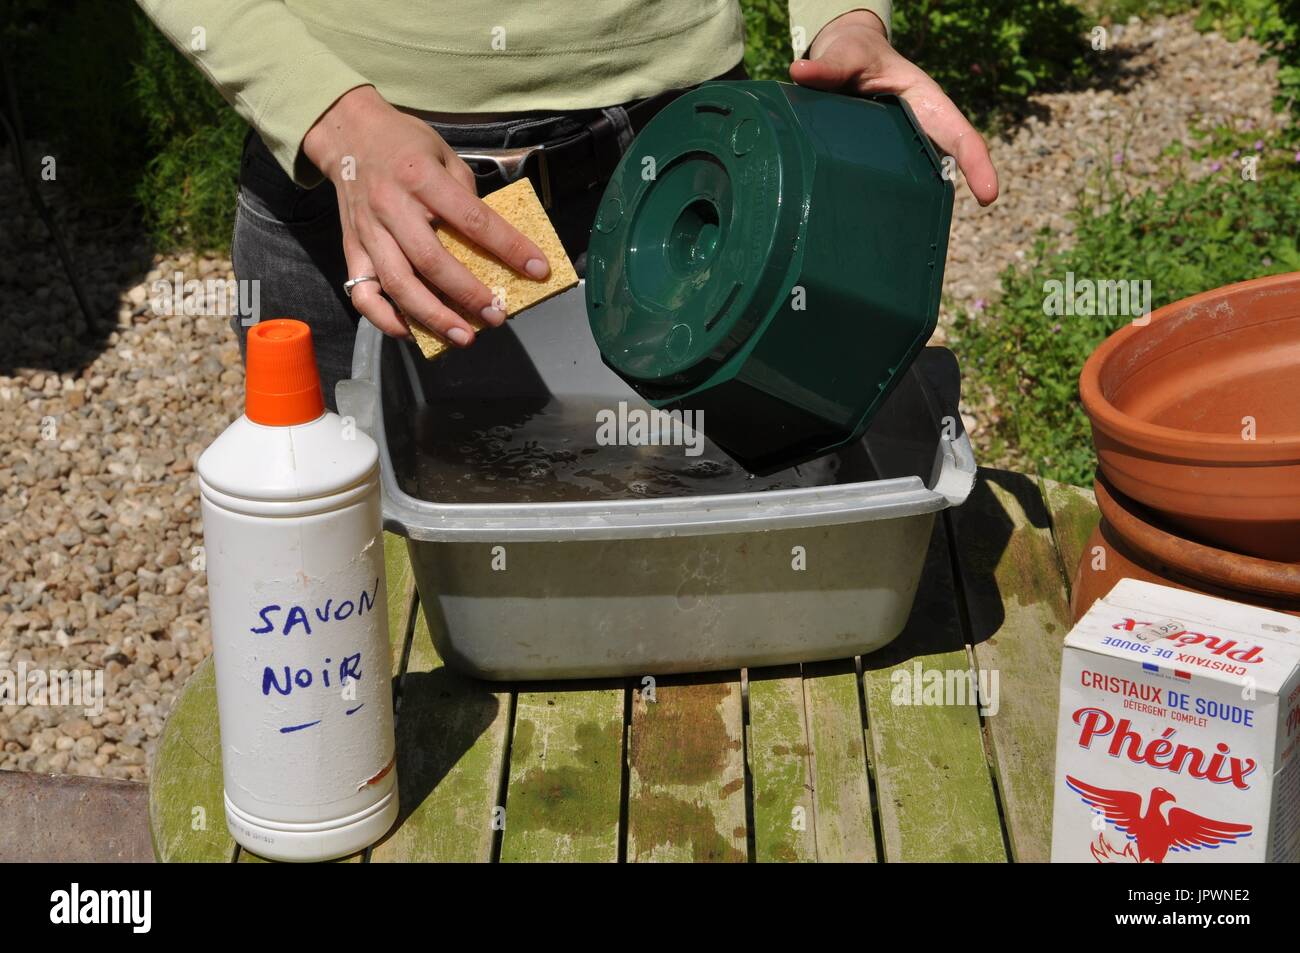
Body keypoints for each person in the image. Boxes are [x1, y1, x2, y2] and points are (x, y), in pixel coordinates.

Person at [138, 1, 998, 409]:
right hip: (362, 199)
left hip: (681, 187)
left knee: (701, 595)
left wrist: (845, 18)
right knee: (362, 608)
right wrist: (328, 111)